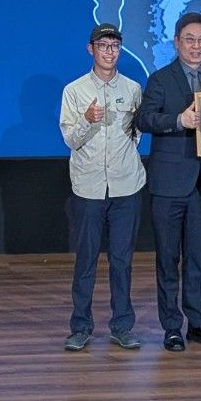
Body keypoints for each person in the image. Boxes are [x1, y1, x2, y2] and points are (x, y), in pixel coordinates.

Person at [136, 12, 201, 352]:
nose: (196, 46)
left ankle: (198, 323)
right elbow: (144, 119)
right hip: (168, 185)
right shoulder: (160, 79)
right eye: (189, 39)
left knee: (197, 261)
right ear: (177, 42)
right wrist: (179, 120)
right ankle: (172, 327)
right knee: (167, 260)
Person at [59, 23, 146, 352]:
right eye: (103, 45)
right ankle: (81, 327)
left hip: (126, 187)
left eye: (115, 46)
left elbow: (136, 136)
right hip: (89, 188)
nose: (109, 51)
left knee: (122, 261)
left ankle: (122, 326)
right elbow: (70, 139)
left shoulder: (133, 89)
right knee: (86, 260)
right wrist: (87, 119)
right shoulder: (74, 90)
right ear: (90, 49)